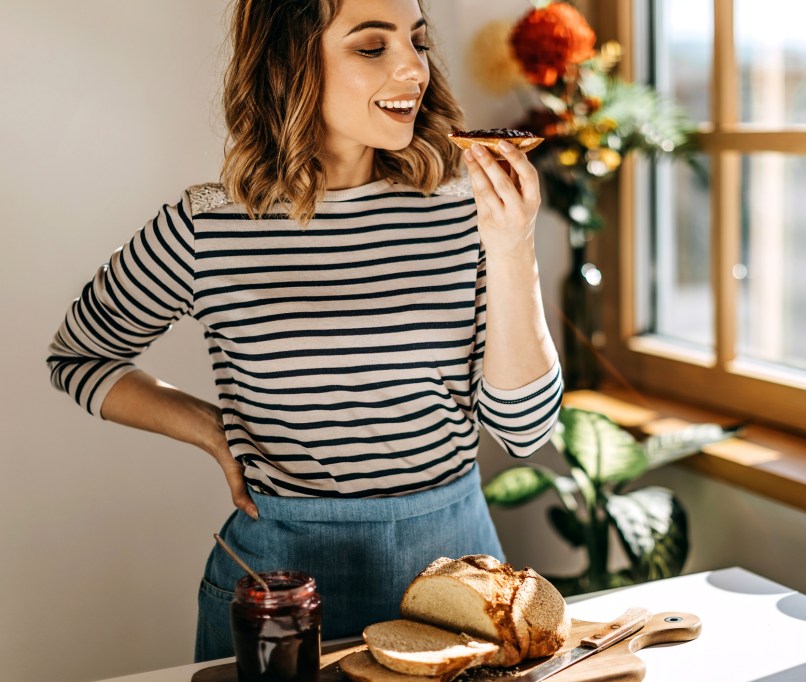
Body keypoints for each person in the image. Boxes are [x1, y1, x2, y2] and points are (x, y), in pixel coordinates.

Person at [46, 0, 561, 662]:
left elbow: (523, 430)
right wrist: (210, 429)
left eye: (419, 41)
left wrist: (514, 247)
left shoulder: (468, 211)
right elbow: (80, 355)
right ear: (290, 64)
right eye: (373, 48)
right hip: (283, 591)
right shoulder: (209, 227)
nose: (414, 67)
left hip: (459, 583)